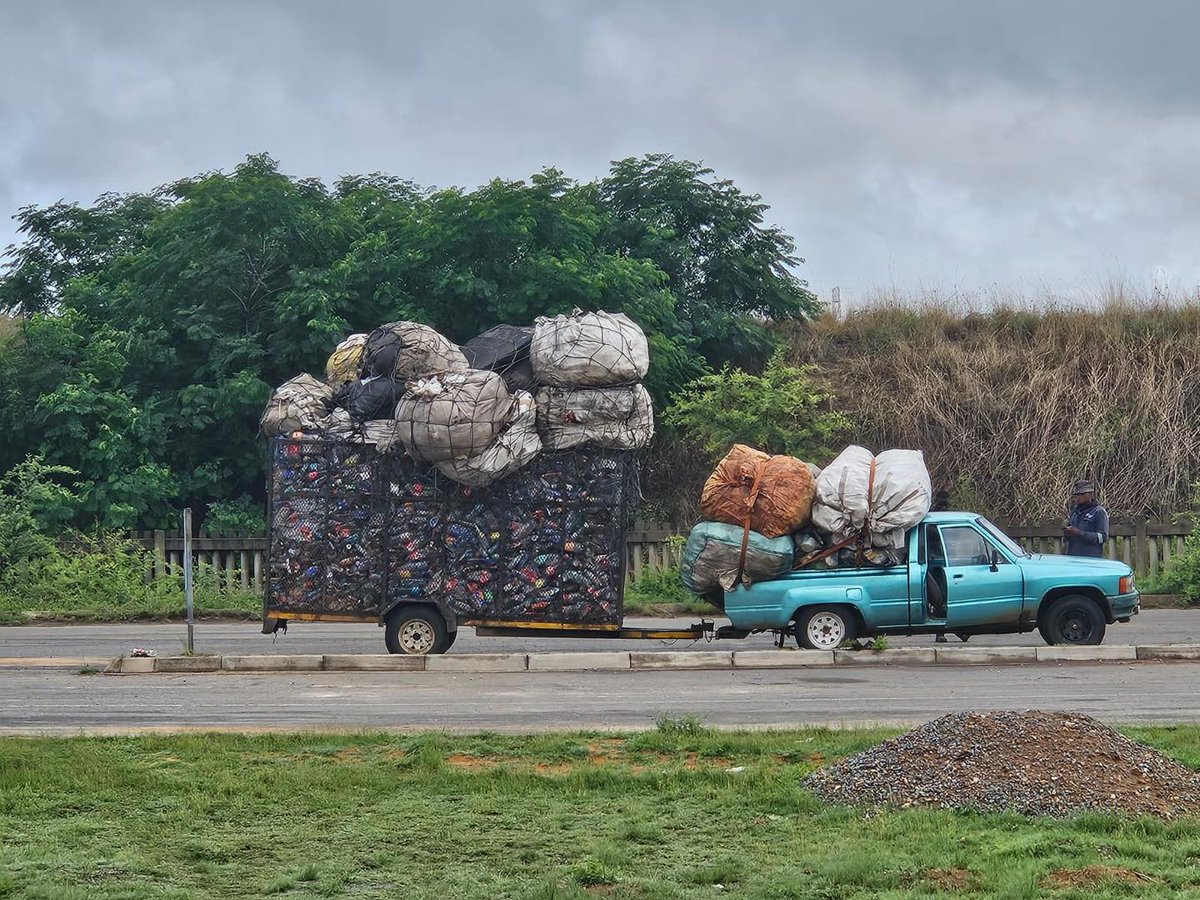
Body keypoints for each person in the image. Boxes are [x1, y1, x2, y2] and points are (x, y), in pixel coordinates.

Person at [1063, 479, 1109, 558]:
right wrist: (1067, 532)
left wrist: (1079, 533)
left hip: (1090, 560)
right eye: (1076, 495)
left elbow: (1103, 537)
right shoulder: (1075, 511)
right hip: (1072, 557)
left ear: (1090, 494)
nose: (1078, 497)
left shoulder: (1098, 512)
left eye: (1082, 494)